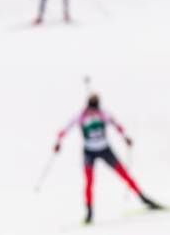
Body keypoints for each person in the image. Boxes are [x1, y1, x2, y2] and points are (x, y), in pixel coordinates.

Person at [53, 94, 163, 223]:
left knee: (124, 174)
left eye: (95, 107)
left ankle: (144, 199)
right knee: (89, 181)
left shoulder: (103, 113)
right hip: (89, 152)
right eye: (91, 107)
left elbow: (117, 124)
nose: (93, 110)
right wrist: (58, 142)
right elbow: (66, 128)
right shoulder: (81, 115)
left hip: (105, 150)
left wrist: (125, 137)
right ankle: (89, 212)